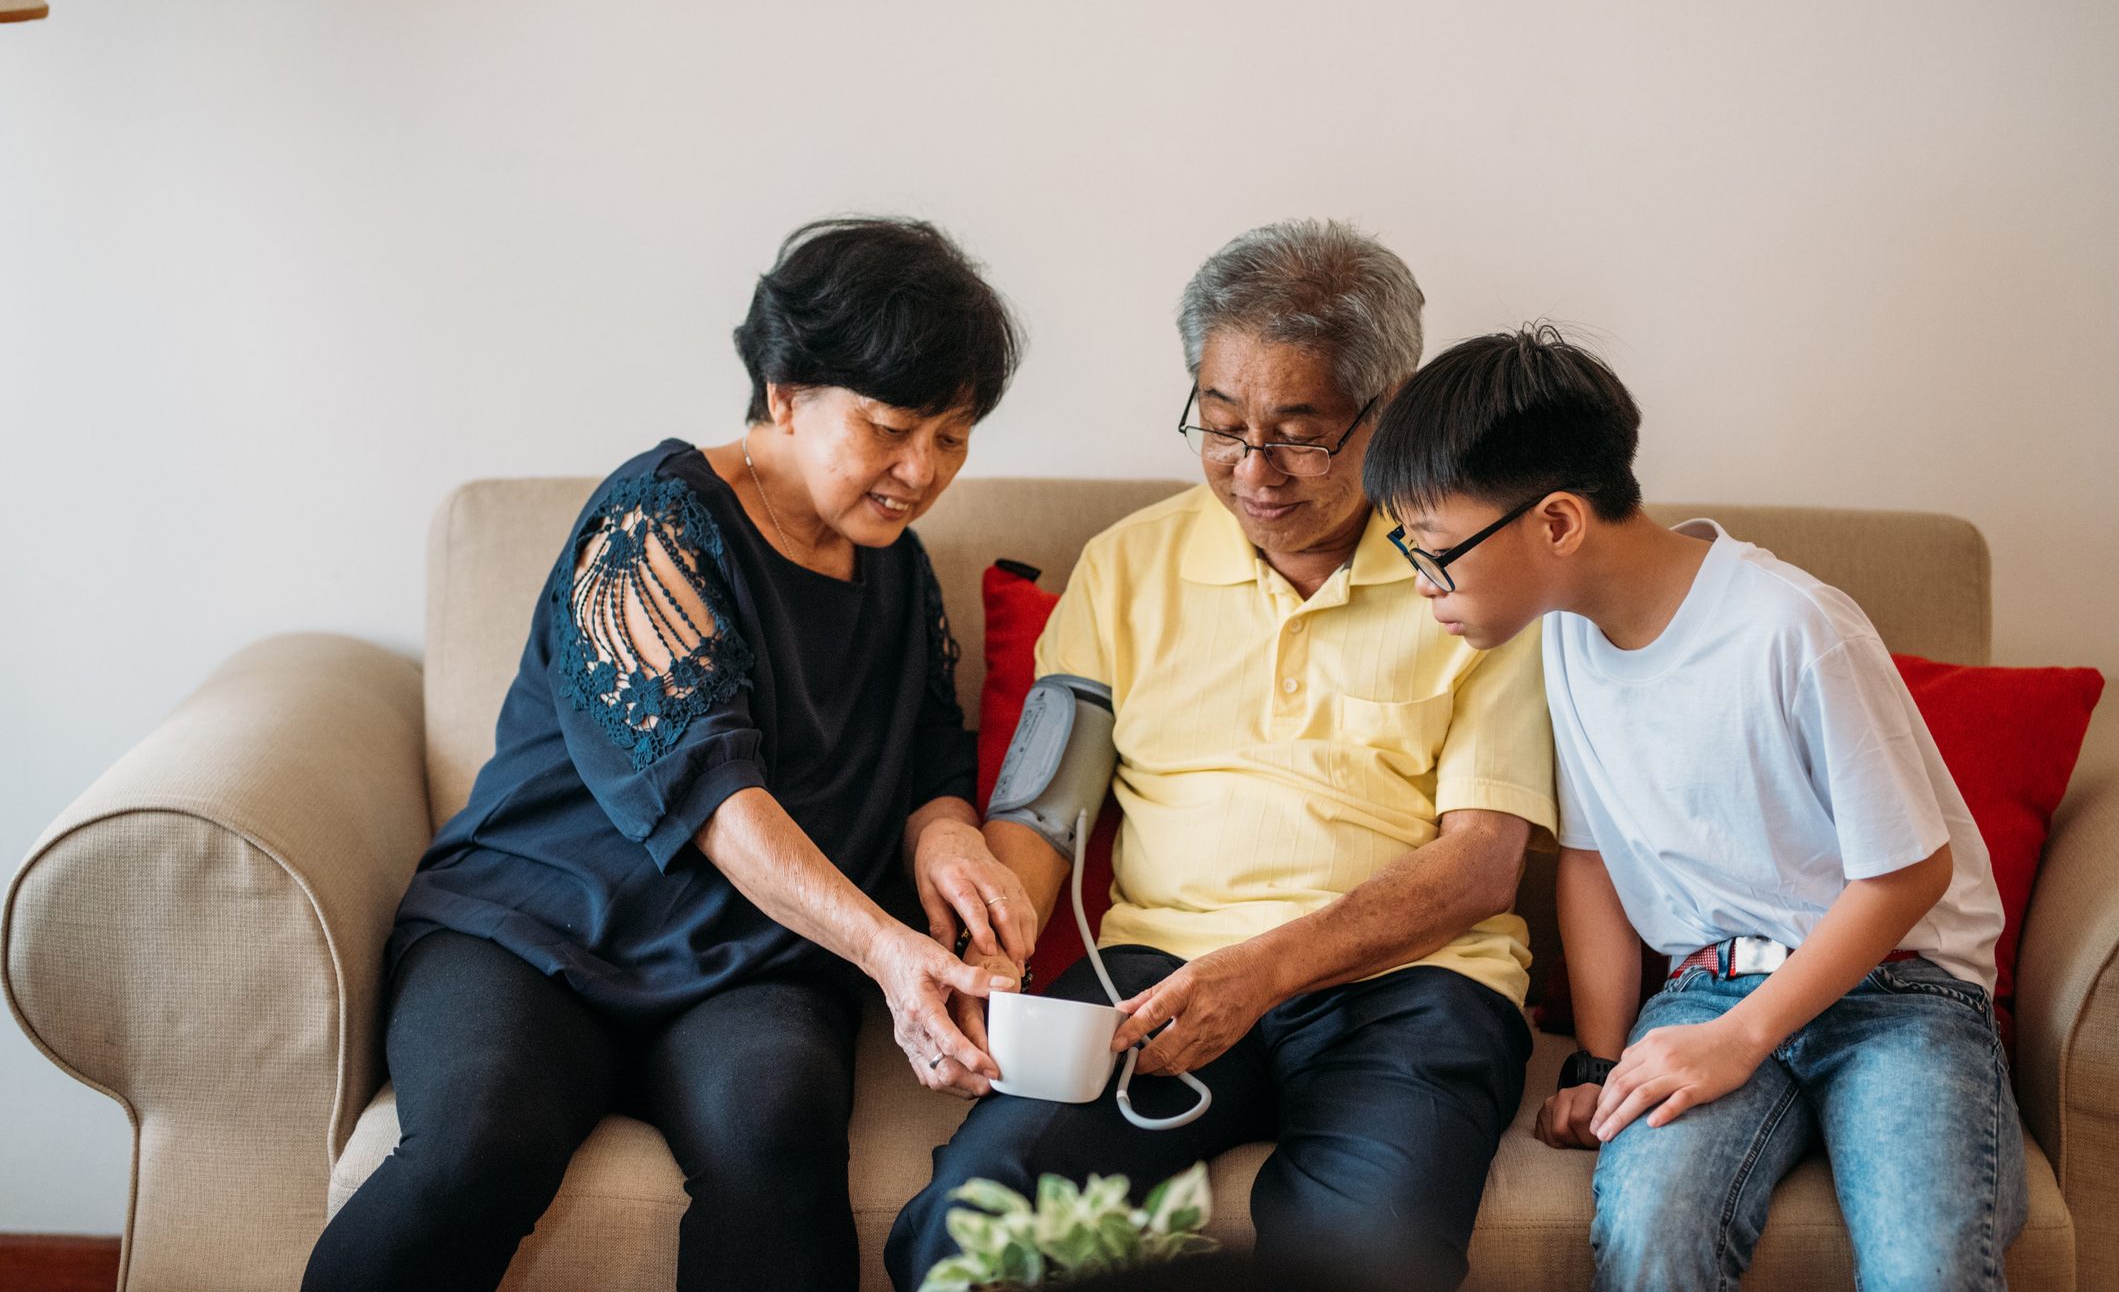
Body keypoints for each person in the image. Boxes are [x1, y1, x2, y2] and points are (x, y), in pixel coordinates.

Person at [304, 217, 1037, 1292]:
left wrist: (947, 839)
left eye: (952, 436)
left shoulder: (900, 567)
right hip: (535, 931)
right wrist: (886, 948)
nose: (921, 469)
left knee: (778, 1131)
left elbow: (933, 752)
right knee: (480, 1143)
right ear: (785, 392)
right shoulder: (654, 522)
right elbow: (712, 792)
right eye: (890, 427)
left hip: (753, 963)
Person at [887, 221, 1558, 1292]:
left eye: (1299, 433)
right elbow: (1042, 814)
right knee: (975, 1230)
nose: (1253, 472)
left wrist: (1264, 970)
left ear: (1387, 410)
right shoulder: (1124, 566)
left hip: (1414, 985)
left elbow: (1480, 860)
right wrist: (986, 968)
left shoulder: (1475, 571)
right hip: (1155, 980)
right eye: (1220, 424)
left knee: (1366, 1266)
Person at [1361, 325, 2022, 1290]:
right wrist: (1596, 1062)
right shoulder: (1563, 644)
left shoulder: (1791, 627)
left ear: (1555, 523)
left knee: (1926, 1263)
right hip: (1708, 986)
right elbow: (1589, 859)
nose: (1423, 583)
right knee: (1649, 1233)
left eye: (1433, 550)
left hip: (1898, 994)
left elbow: (1909, 870)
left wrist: (1742, 1038)